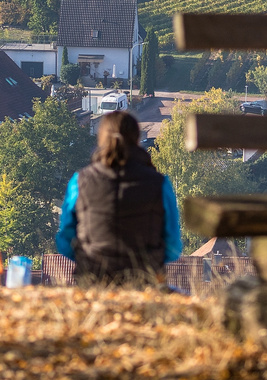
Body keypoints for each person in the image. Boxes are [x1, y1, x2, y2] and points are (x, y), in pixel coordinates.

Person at [55, 111, 181, 284]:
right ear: (136, 139)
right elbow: (173, 246)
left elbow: (64, 240)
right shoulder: (160, 184)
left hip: (93, 282)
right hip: (144, 283)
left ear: (101, 139)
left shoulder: (80, 181)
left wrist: (86, 259)